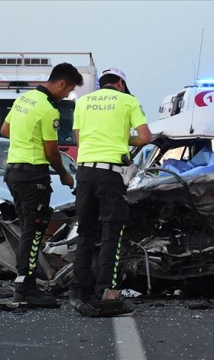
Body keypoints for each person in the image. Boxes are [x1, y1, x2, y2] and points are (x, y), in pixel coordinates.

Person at [70, 68, 151, 316]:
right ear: (120, 83)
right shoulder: (128, 100)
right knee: (111, 233)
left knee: (85, 232)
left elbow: (78, 140)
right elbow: (146, 137)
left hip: (84, 172)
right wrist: (124, 139)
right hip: (110, 173)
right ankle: (106, 292)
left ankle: (78, 291)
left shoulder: (82, 102)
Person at [0, 62, 83, 307]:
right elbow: (51, 152)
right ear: (60, 83)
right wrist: (65, 175)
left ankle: (25, 283)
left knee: (26, 228)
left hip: (13, 172)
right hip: (33, 176)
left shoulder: (24, 100)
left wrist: (26, 140)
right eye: (67, 91)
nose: (66, 95)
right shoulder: (48, 110)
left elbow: (5, 130)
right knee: (34, 231)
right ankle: (25, 287)